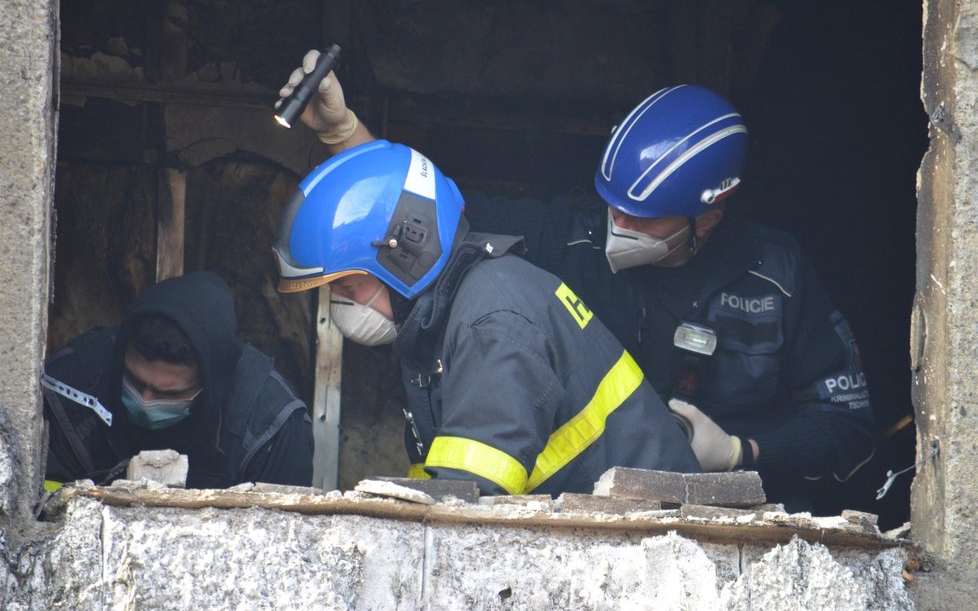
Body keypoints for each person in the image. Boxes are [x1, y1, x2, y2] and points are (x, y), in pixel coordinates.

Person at [278, 52, 876, 509]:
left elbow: (846, 429)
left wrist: (741, 454)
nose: (618, 223)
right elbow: (424, 228)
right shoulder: (568, 242)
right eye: (611, 204)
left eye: (641, 216)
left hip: (746, 525)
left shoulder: (778, 277)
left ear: (709, 217)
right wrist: (344, 135)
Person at [272, 140, 700, 496]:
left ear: (405, 258)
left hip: (659, 555)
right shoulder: (438, 325)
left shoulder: (493, 322)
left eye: (349, 289)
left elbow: (466, 501)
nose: (346, 308)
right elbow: (435, 480)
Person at [42, 271, 313, 489]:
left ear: (212, 384)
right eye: (134, 382)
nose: (145, 401)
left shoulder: (269, 428)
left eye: (169, 394)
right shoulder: (68, 389)